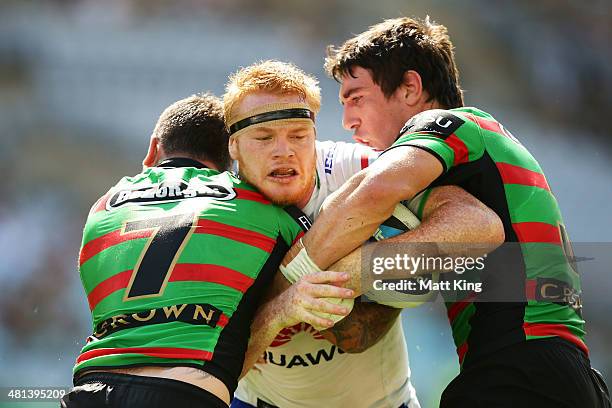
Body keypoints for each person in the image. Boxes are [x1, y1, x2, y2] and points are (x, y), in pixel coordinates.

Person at [281, 17, 611, 407]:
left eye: (356, 98)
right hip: (552, 369)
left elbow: (374, 190)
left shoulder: (453, 124)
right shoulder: (468, 167)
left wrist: (289, 287)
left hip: (520, 369)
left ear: (410, 87)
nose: (348, 121)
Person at [223, 60, 503, 408]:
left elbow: (478, 224)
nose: (285, 150)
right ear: (233, 147)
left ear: (315, 134)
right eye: (264, 138)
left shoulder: (357, 169)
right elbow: (214, 362)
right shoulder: (214, 210)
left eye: (298, 135)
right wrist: (284, 307)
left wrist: (360, 269)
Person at [61, 94, 354, 408]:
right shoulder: (262, 207)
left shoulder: (103, 206)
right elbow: (323, 258)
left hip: (89, 387)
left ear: (152, 150)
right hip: (183, 391)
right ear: (232, 153)